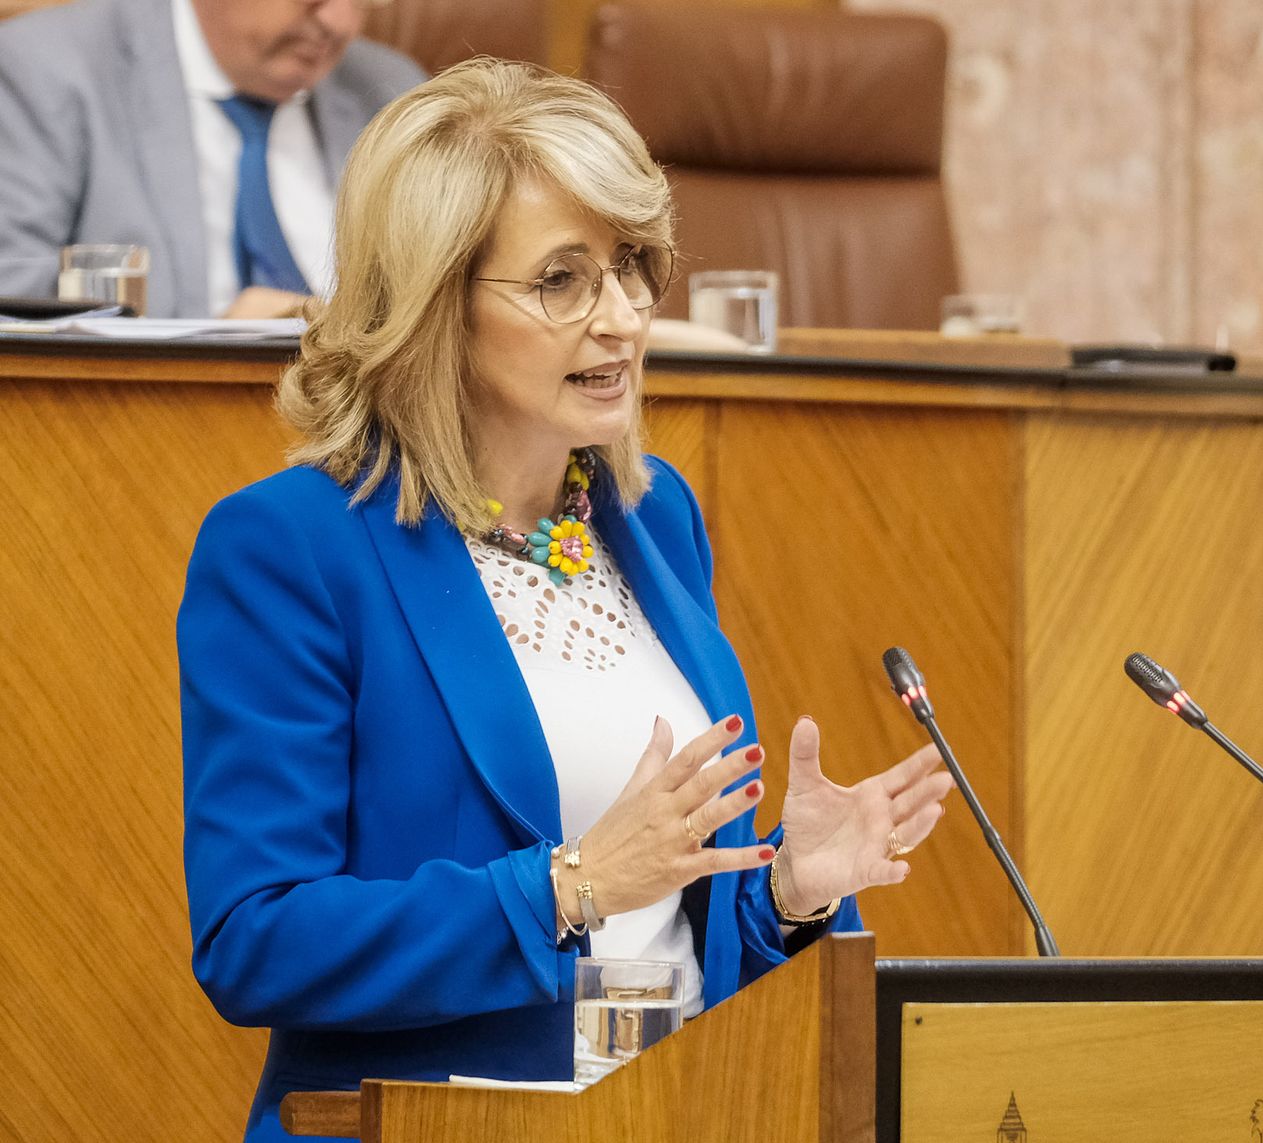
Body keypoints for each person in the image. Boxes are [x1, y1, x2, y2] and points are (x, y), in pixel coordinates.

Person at [177, 58, 954, 1142]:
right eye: (562, 280)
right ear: (435, 304)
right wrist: (564, 888)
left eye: (632, 269)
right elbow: (255, 941)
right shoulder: (293, 549)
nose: (624, 317)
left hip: (681, 1114)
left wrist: (785, 896)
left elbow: (673, 928)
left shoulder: (652, 516)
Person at [0, 0, 423, 318]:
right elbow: (13, 294)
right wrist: (209, 355)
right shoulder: (46, 69)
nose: (338, 22)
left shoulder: (393, 93)